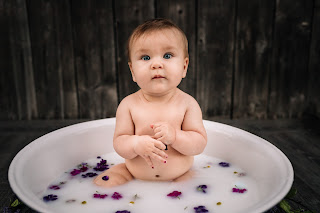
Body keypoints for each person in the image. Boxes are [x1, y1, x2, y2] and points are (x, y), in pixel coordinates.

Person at [94, 18, 207, 187]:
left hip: (180, 174)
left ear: (184, 67)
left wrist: (176, 137)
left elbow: (199, 144)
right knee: (103, 183)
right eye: (145, 57)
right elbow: (119, 143)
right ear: (132, 71)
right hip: (133, 173)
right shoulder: (128, 105)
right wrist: (135, 144)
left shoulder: (188, 104)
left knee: (195, 189)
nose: (156, 64)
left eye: (167, 55)